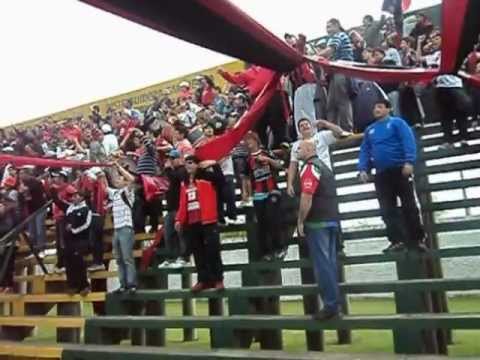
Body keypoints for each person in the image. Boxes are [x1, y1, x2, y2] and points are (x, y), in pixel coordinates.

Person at [358, 99, 427, 253]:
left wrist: (409, 161)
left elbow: (408, 141)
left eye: (380, 107)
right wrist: (363, 169)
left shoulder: (397, 123)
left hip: (400, 170)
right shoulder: (370, 130)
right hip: (382, 174)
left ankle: (417, 239)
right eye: (375, 107)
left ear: (388, 109)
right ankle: (396, 241)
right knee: (387, 209)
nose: (376, 109)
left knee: (409, 206)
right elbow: (365, 151)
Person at [296, 140, 341, 320]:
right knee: (329, 264)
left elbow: (307, 196)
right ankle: (334, 304)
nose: (297, 150)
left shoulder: (310, 168)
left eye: (299, 148)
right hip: (331, 220)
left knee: (323, 266)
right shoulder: (325, 168)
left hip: (317, 222)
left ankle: (330, 305)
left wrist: (300, 220)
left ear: (308, 149)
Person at [175, 155, 224, 293]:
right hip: (192, 221)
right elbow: (183, 203)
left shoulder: (207, 177)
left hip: (208, 220)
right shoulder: (184, 183)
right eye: (186, 164)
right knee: (198, 253)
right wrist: (179, 219)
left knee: (213, 251)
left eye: (191, 163)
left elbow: (221, 181)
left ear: (197, 164)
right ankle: (203, 280)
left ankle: (218, 279)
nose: (188, 166)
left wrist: (214, 164)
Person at [244, 131, 287, 261]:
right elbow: (246, 178)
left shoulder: (266, 152)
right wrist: (247, 193)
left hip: (271, 190)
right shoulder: (247, 159)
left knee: (273, 219)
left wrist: (268, 160)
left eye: (250, 140)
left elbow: (280, 165)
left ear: (256, 140)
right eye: (246, 141)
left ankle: (279, 247)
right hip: (258, 194)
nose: (248, 143)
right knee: (261, 224)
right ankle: (265, 252)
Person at [104, 161, 138, 294]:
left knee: (127, 258)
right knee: (119, 259)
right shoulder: (116, 193)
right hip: (117, 229)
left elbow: (132, 179)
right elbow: (104, 186)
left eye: (120, 178)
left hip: (125, 228)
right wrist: (103, 171)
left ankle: (131, 284)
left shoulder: (127, 192)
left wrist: (118, 167)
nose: (118, 180)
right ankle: (123, 284)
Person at [51, 188, 92, 295]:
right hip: (68, 241)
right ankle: (72, 285)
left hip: (80, 240)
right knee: (69, 263)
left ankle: (84, 285)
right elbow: (58, 202)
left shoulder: (86, 209)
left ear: (82, 197)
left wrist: (74, 229)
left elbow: (87, 225)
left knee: (79, 262)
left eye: (76, 196)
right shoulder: (69, 208)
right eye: (73, 196)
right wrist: (52, 190)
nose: (73, 198)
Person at [316, 18, 354, 131]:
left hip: (342, 70)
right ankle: (334, 131)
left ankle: (347, 130)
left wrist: (313, 57)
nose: (327, 30)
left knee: (342, 100)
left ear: (337, 25)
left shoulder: (339, 35)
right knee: (331, 105)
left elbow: (329, 52)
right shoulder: (333, 38)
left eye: (329, 26)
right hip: (335, 73)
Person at [159, 149, 190, 268]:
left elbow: (177, 179)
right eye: (169, 159)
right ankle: (171, 256)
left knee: (181, 233)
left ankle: (184, 257)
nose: (170, 161)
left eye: (172, 159)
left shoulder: (182, 171)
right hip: (171, 207)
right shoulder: (170, 172)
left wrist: (168, 169)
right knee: (169, 234)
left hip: (179, 207)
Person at [18, 166, 48, 258]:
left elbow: (30, 190)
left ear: (27, 174)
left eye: (22, 173)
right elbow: (21, 196)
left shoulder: (35, 182)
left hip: (40, 208)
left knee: (39, 230)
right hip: (31, 210)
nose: (20, 175)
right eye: (20, 174)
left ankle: (42, 249)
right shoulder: (22, 183)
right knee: (32, 232)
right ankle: (34, 251)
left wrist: (24, 189)